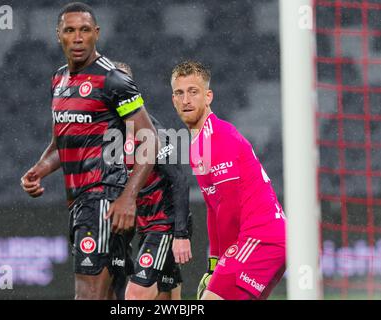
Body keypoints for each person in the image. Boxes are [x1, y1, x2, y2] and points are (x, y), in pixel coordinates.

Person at [20, 2, 158, 300]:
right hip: (82, 202)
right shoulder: (58, 80)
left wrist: (128, 197)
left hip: (105, 200)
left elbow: (150, 139)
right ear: (59, 35)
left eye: (84, 30)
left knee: (87, 295)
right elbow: (63, 142)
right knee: (109, 296)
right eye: (70, 30)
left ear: (96, 33)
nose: (78, 37)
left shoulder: (113, 79)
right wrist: (40, 169)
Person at [170, 61, 286, 300]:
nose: (186, 100)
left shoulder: (219, 136)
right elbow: (213, 208)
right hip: (261, 240)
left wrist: (223, 262)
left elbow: (230, 207)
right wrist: (214, 263)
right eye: (179, 93)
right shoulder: (197, 144)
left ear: (208, 96)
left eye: (193, 92)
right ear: (173, 100)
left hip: (261, 238)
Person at [113, 61, 192, 300]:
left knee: (135, 295)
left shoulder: (151, 132)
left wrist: (180, 234)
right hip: (140, 226)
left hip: (162, 225)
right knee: (166, 295)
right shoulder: (110, 131)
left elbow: (179, 179)